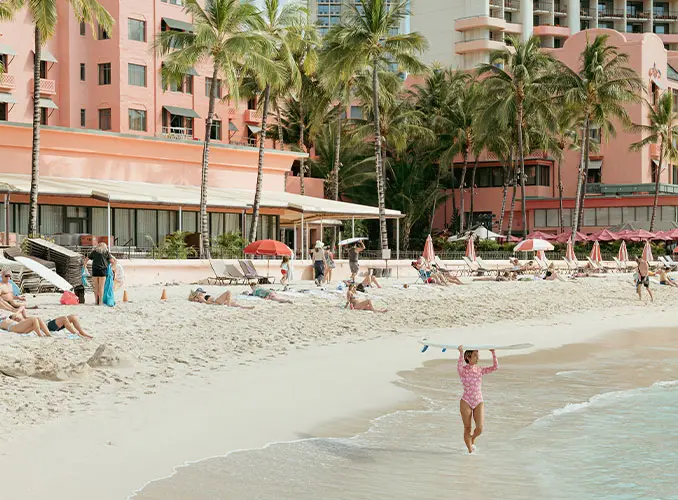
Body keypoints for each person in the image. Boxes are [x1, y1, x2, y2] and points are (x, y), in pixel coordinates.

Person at [457, 345, 498, 454]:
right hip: (466, 401)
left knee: (479, 428)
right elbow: (459, 365)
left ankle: (472, 438)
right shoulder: (463, 371)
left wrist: (493, 353)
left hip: (478, 401)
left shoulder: (479, 370)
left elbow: (495, 367)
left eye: (477, 355)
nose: (477, 357)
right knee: (467, 427)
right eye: (475, 355)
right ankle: (470, 452)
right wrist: (461, 353)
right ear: (468, 358)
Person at [189, 288, 254, 309]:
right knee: (228, 292)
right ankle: (228, 306)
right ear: (199, 293)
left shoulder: (200, 297)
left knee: (233, 303)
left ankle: (245, 307)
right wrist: (213, 303)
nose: (203, 293)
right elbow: (205, 302)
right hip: (215, 301)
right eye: (202, 292)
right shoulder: (200, 297)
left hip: (216, 300)